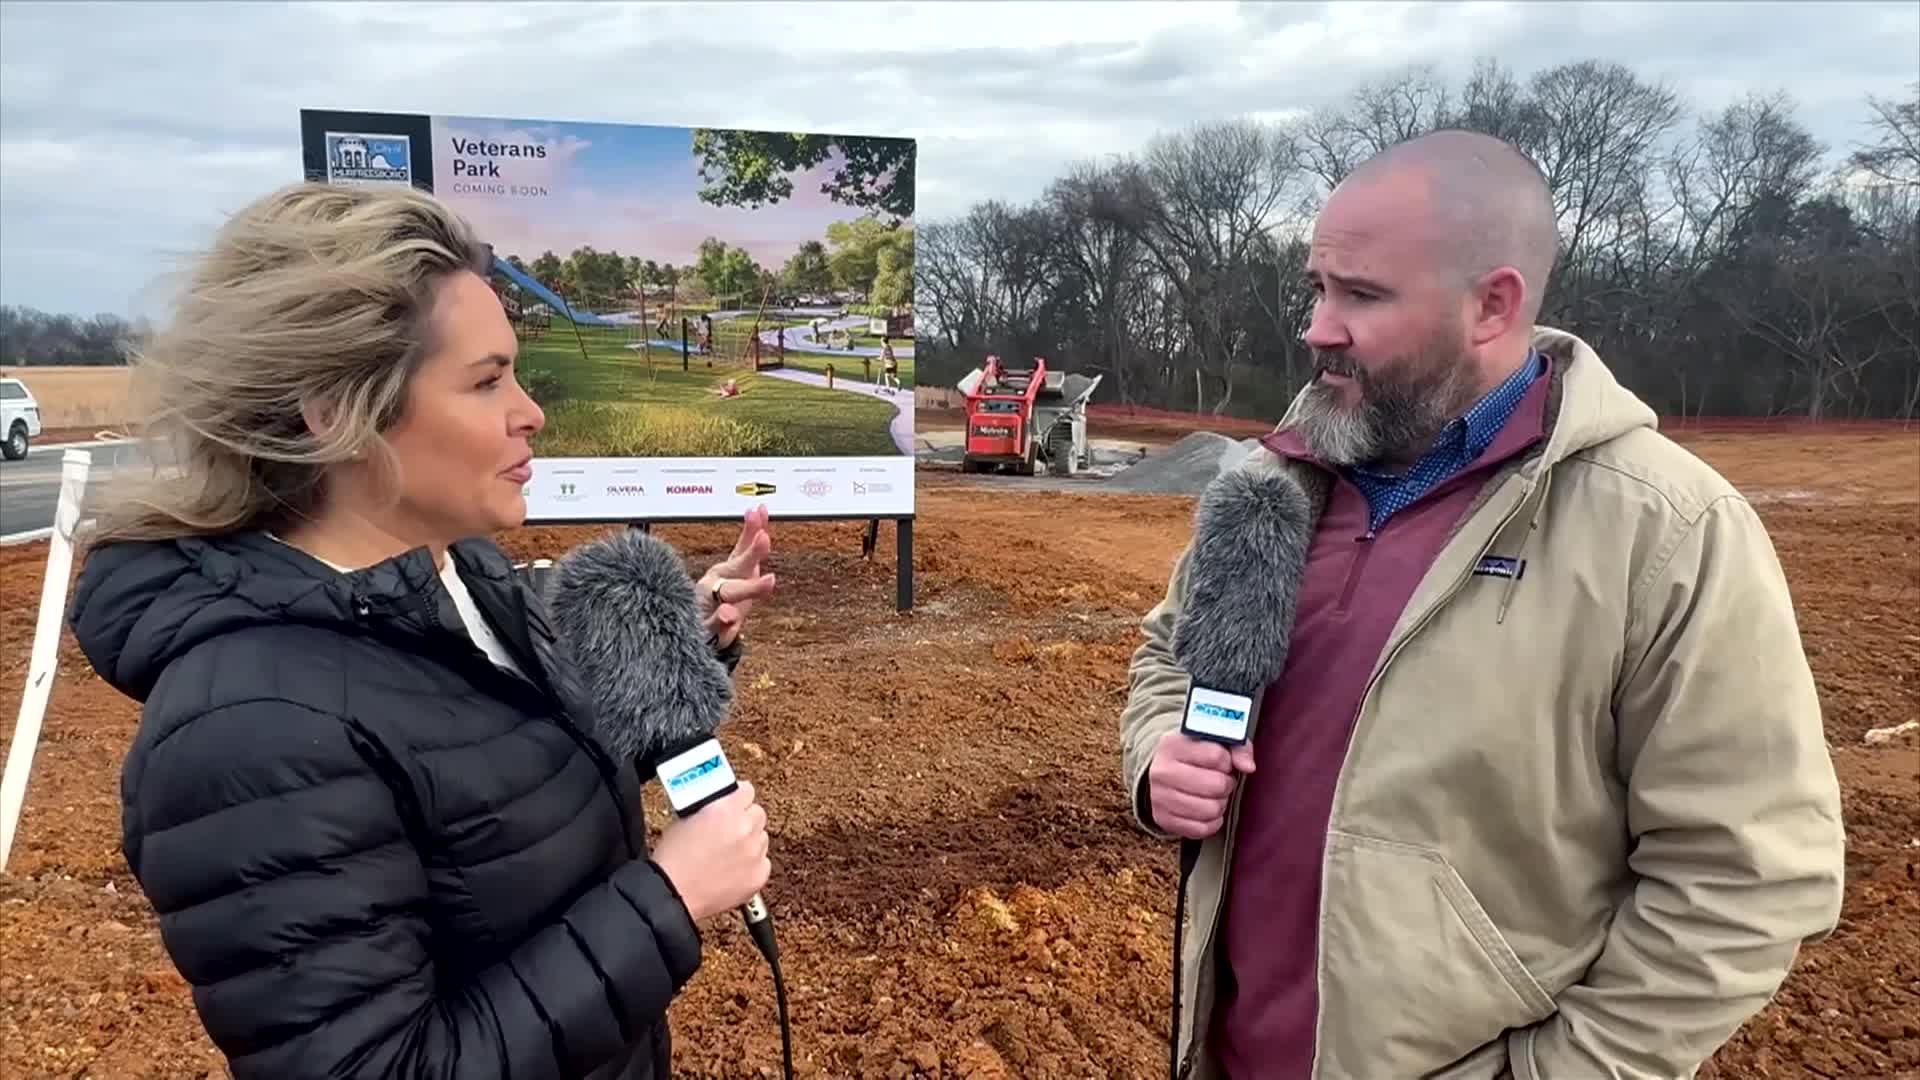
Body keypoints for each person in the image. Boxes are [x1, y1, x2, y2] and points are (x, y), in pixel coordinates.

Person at [1119, 129, 1846, 1079]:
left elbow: (1748, 875)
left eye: (1362, 295)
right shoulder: (1275, 482)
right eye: (1317, 287)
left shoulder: (1664, 528)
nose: (1317, 327)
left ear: (1492, 305)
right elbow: (1167, 657)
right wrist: (1158, 755)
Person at [66, 181, 779, 1080]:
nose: (532, 412)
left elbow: (509, 789)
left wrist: (687, 634)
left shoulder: (462, 578)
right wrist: (669, 897)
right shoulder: (246, 733)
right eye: (486, 381)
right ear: (335, 412)